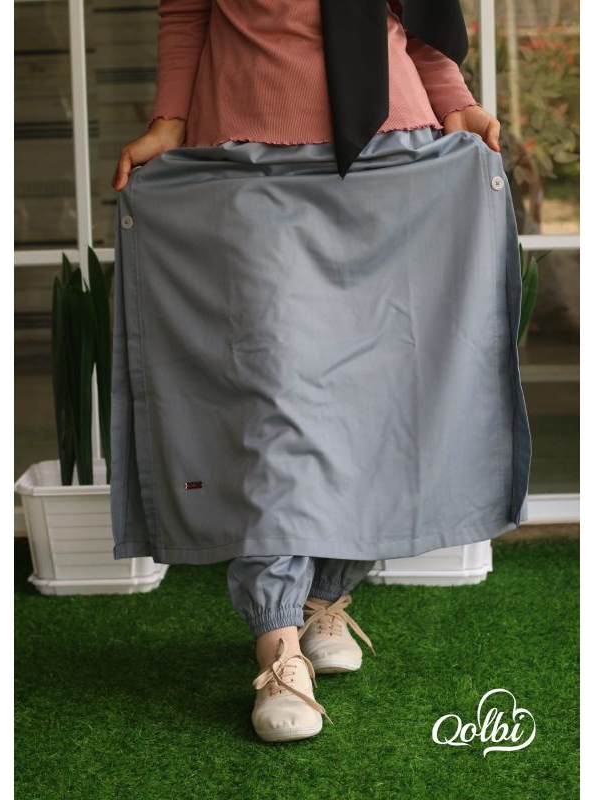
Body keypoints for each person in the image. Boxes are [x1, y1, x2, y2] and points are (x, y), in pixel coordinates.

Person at [110, 0, 529, 744]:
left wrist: (453, 102)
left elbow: (416, 17)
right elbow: (186, 14)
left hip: (394, 158)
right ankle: (277, 645)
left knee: (377, 404)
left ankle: (323, 598)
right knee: (272, 401)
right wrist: (170, 120)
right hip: (249, 159)